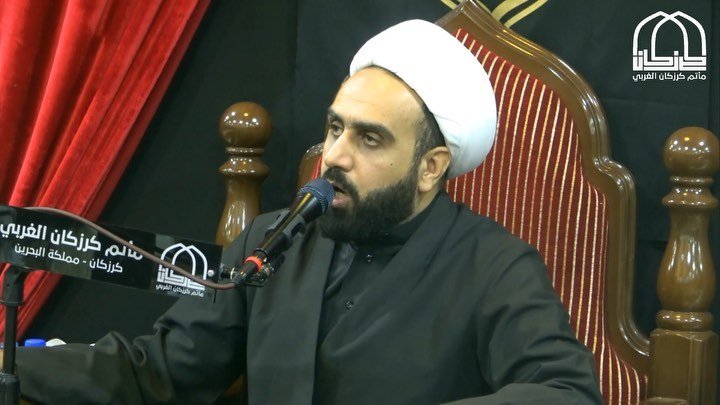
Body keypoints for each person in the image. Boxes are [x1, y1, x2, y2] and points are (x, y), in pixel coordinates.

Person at [8, 20, 602, 404]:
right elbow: (158, 370)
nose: (334, 155)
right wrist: (11, 372)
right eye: (336, 127)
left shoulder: (494, 267)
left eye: (370, 139)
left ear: (430, 167)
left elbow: (566, 392)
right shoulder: (272, 243)